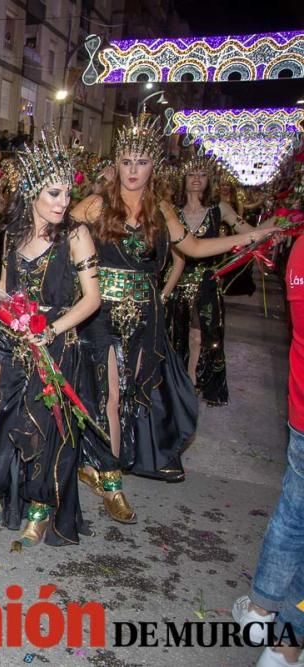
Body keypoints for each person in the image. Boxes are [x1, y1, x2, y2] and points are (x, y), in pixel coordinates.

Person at [70, 116, 280, 522]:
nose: (133, 170)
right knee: (109, 396)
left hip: (146, 314)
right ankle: (112, 483)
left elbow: (196, 247)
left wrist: (248, 236)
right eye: (127, 161)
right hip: (101, 313)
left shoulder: (161, 207)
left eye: (141, 162)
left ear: (153, 166)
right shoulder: (97, 204)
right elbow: (58, 233)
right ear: (117, 163)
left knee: (137, 394)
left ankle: (104, 460)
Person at [0, 136, 101, 546]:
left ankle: (40, 510)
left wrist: (52, 330)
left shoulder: (76, 236)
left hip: (53, 345)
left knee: (39, 433)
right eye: (54, 193)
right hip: (10, 341)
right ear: (32, 192)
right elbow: (6, 285)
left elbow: (92, 299)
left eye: (67, 191)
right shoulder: (14, 234)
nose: (63, 201)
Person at [230, 236, 304, 667]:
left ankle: (262, 612)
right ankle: (285, 644)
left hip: (299, 408)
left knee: (293, 515)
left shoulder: (299, 249)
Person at [163, 155, 255, 407]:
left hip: (206, 281)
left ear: (208, 180)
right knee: (174, 335)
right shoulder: (170, 210)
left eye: (201, 174)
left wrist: (277, 225)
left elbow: (249, 233)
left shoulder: (219, 209)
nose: (195, 179)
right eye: (191, 174)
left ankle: (193, 380)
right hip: (175, 280)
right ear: (183, 179)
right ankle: (176, 380)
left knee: (201, 336)